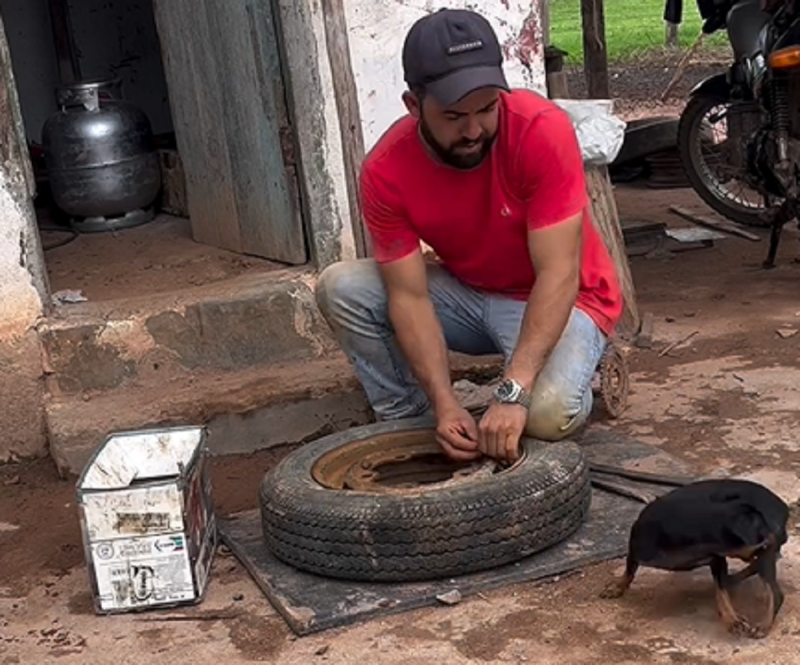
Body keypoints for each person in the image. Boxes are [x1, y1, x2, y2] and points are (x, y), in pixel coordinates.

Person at [315, 8, 623, 463]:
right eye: (455, 115)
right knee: (342, 287)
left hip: (568, 297)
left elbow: (559, 272)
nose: (475, 130)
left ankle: (586, 363)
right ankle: (408, 420)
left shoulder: (541, 130)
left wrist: (514, 391)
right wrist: (444, 402)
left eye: (486, 108)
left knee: (547, 416)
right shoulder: (385, 171)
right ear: (414, 106)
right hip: (469, 295)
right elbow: (409, 297)